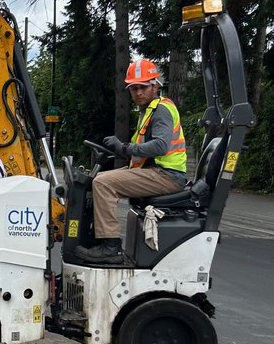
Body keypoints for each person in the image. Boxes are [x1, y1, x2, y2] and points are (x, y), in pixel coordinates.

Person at [74, 58, 188, 266]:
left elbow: (160, 146)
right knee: (97, 179)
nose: (138, 93)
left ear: (155, 85)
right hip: (158, 172)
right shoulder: (149, 110)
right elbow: (143, 151)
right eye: (133, 88)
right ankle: (97, 239)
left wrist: (124, 148)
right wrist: (121, 150)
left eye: (143, 87)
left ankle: (110, 247)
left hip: (167, 175)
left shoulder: (160, 110)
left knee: (103, 183)